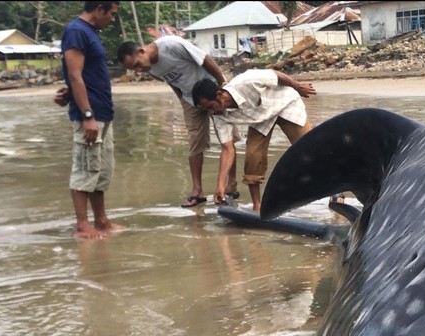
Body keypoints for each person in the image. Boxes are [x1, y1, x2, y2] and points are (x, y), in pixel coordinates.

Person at [116, 37, 241, 208]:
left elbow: (206, 60)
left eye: (137, 64)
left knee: (227, 139)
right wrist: (181, 97)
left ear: (141, 51)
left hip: (211, 92)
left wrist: (223, 85)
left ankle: (230, 186)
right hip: (190, 100)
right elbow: (170, 80)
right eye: (134, 69)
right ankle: (197, 191)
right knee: (195, 142)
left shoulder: (171, 45)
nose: (139, 70)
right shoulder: (149, 68)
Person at [191, 69, 316, 212]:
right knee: (253, 156)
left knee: (309, 149)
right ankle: (257, 205)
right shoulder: (219, 115)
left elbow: (275, 75)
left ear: (219, 95)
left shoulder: (246, 81)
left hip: (285, 103)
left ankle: (336, 193)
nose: (211, 113)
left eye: (211, 107)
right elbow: (227, 148)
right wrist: (220, 185)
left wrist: (297, 86)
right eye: (206, 111)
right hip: (260, 118)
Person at [53, 1, 121, 239]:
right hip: (90, 115)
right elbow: (75, 74)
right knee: (85, 167)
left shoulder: (90, 33)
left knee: (101, 170)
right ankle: (82, 225)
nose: (112, 19)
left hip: (103, 112)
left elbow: (84, 76)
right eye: (112, 14)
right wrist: (87, 115)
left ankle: (101, 220)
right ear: (99, 8)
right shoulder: (76, 31)